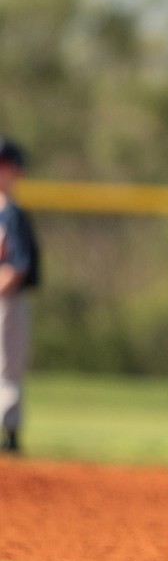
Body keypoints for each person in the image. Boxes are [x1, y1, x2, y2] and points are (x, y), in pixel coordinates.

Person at [0, 137, 40, 454]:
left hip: (6, 301)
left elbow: (17, 267)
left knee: (7, 366)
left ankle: (9, 435)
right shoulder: (7, 214)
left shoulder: (12, 214)